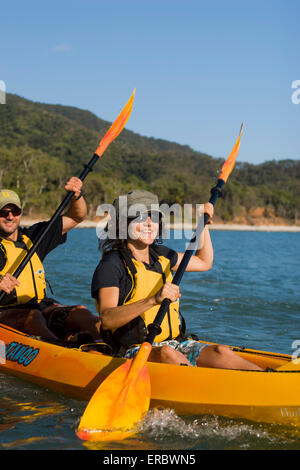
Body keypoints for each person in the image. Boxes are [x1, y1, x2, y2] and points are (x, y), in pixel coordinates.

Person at [91, 190, 262, 370]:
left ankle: (266, 381)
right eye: (140, 217)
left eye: (154, 217)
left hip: (175, 343)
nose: (149, 223)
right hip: (134, 351)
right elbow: (107, 319)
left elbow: (204, 262)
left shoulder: (161, 255)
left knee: (221, 351)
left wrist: (202, 226)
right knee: (167, 354)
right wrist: (153, 299)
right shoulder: (112, 264)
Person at [0, 179, 101, 344]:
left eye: (14, 211)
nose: (10, 216)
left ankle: (111, 349)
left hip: (40, 307)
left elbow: (77, 216)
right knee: (34, 317)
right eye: (3, 212)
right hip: (6, 312)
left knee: (80, 312)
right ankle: (62, 351)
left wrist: (76, 195)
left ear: (20, 213)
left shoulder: (35, 237)